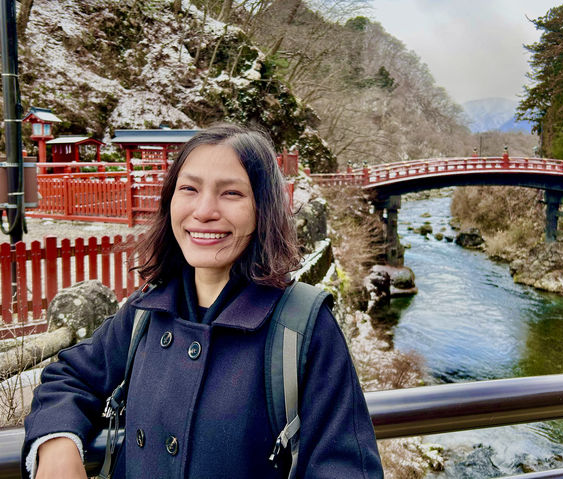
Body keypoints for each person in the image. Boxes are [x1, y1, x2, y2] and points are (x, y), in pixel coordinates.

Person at [22, 123, 383, 478]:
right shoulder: (148, 309)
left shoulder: (302, 326)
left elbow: (345, 465)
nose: (204, 210)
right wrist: (56, 443)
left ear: (263, 210)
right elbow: (69, 376)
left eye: (231, 193)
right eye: (189, 189)